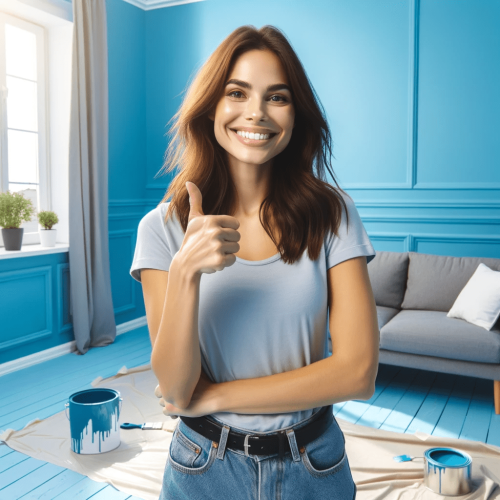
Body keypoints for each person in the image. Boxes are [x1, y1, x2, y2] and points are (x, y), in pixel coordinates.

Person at [130, 24, 379, 500]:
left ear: (296, 114)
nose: (256, 113)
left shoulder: (333, 214)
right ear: (211, 107)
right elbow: (177, 388)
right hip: (202, 466)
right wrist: (185, 272)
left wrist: (220, 395)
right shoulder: (160, 228)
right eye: (237, 92)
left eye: (277, 97)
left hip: (314, 464)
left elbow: (358, 372)